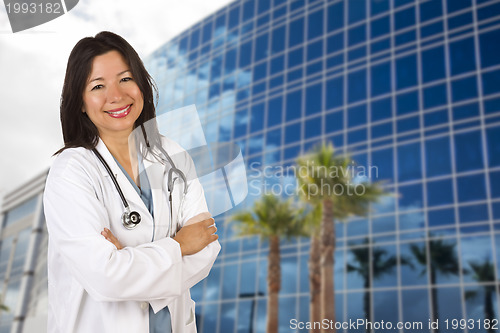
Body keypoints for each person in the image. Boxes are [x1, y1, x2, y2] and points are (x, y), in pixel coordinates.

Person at [43, 31, 220, 333]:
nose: (117, 96)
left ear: (141, 84)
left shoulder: (174, 155)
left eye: (125, 79)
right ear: (81, 103)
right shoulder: (71, 170)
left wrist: (128, 261)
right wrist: (178, 247)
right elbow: (104, 277)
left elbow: (205, 246)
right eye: (98, 86)